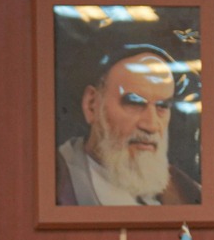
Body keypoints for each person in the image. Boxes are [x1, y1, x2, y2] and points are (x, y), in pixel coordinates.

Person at [56, 45, 201, 207]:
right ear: (92, 104)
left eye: (162, 106)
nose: (151, 125)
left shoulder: (188, 193)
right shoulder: (54, 186)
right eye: (134, 103)